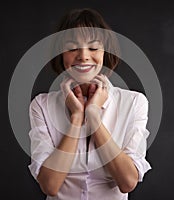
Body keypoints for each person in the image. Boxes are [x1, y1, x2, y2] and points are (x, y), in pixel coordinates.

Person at [28, 8, 151, 200]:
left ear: (105, 52)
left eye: (93, 48)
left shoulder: (134, 102)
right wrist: (77, 118)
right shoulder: (42, 105)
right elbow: (50, 185)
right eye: (72, 48)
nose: (83, 56)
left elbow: (127, 182)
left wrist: (93, 117)